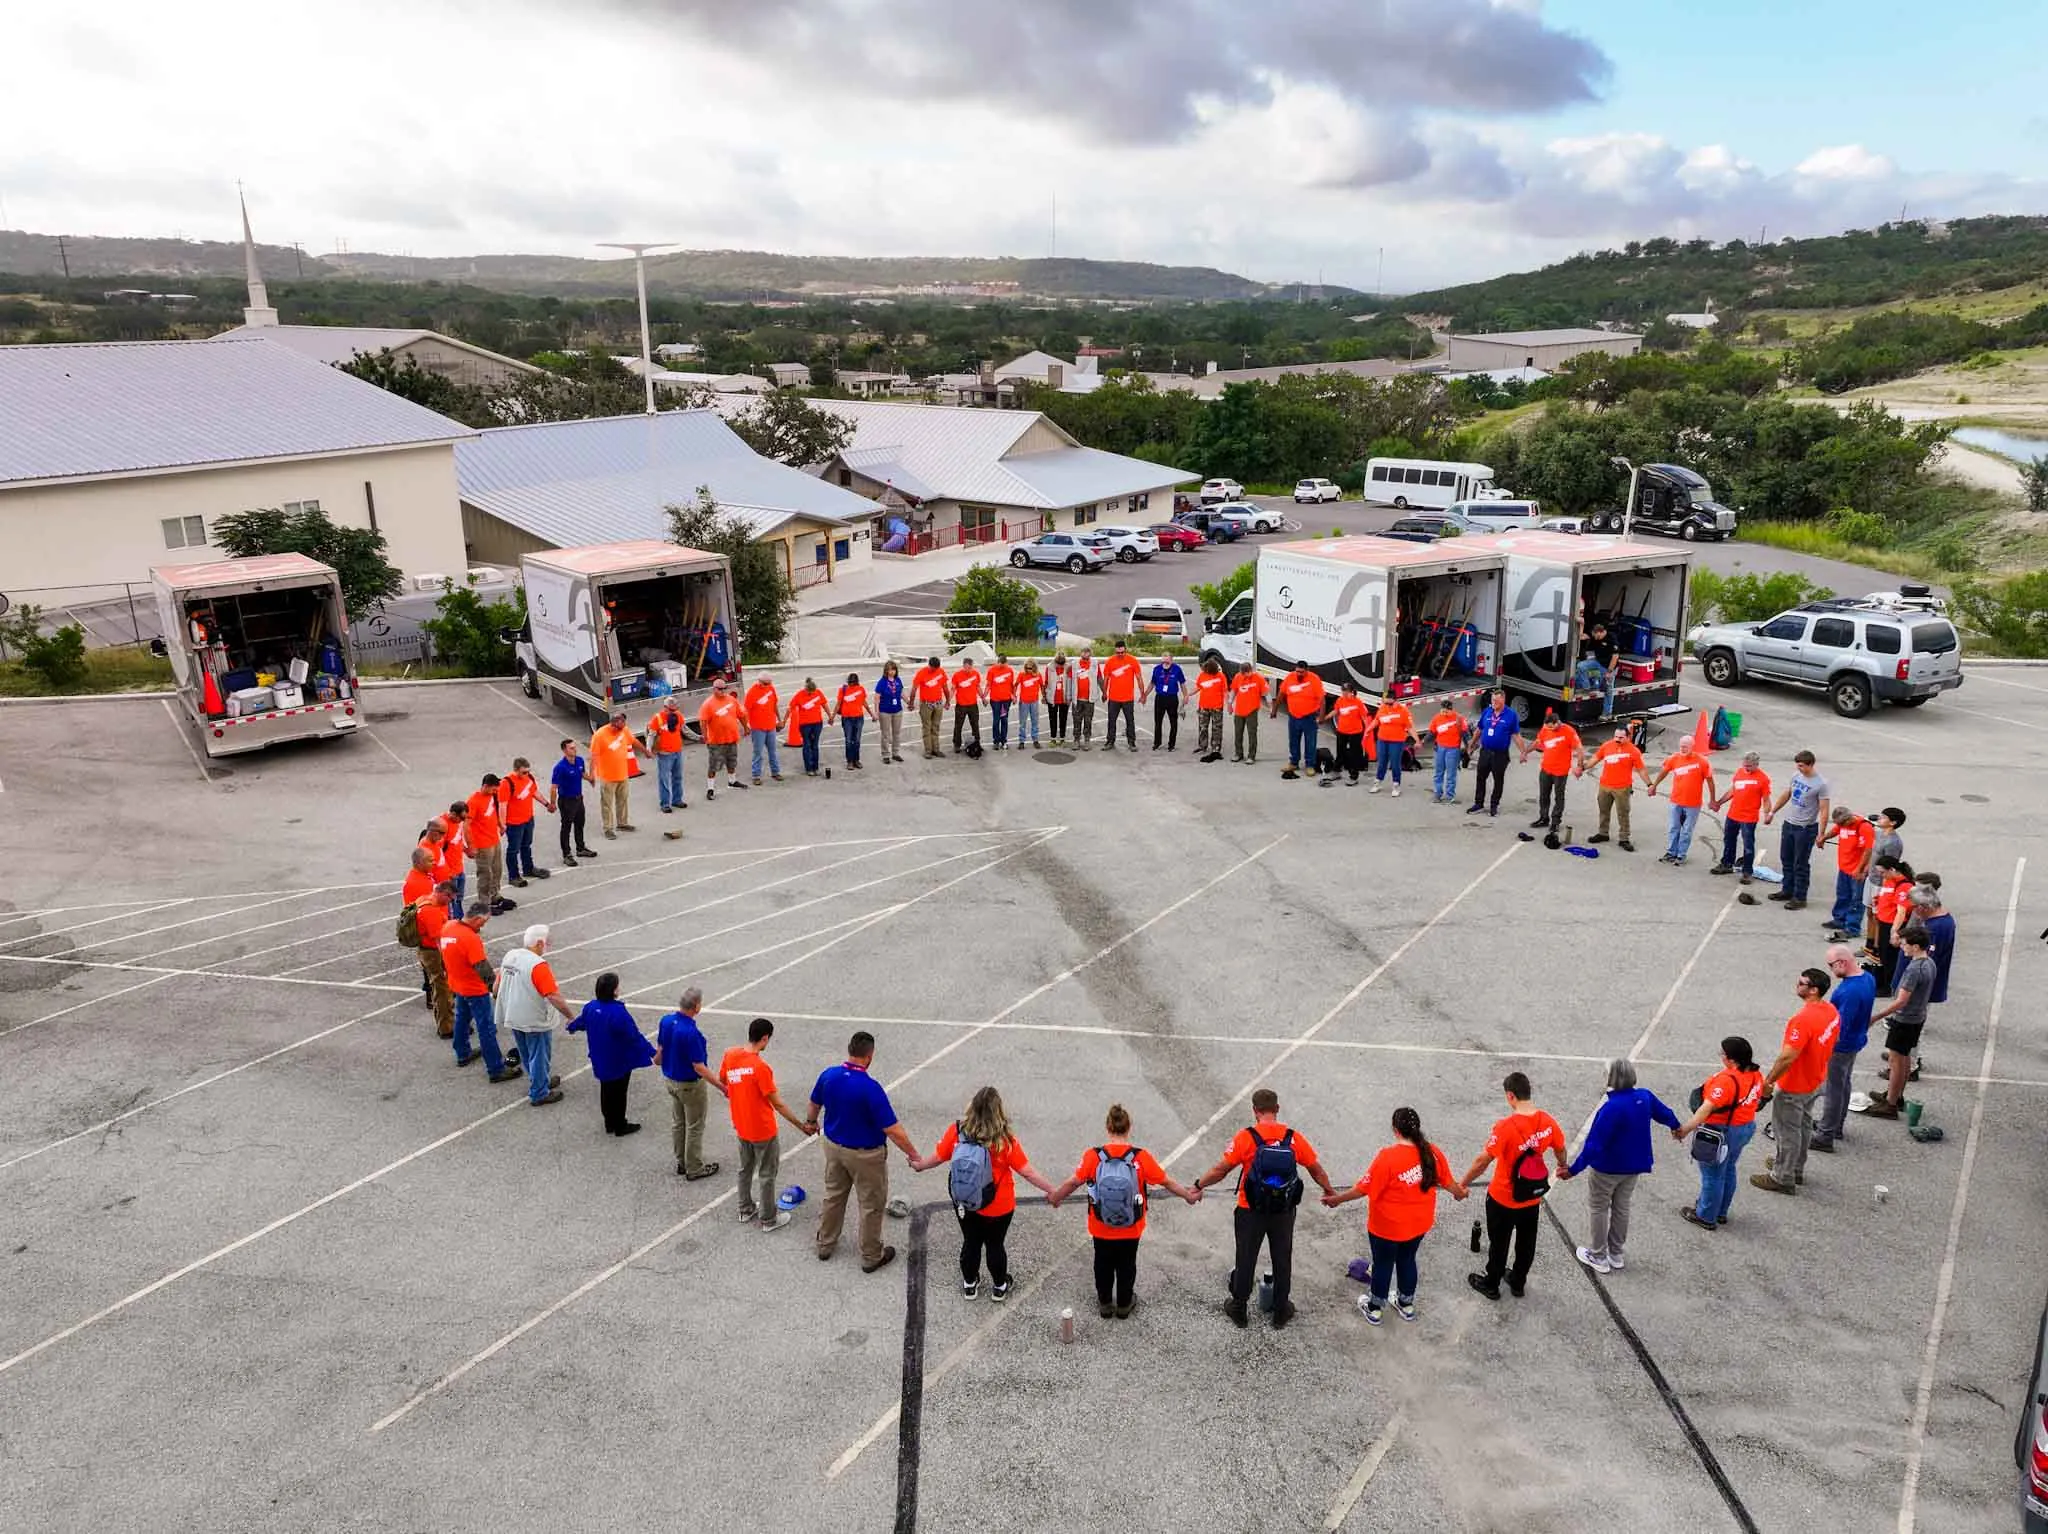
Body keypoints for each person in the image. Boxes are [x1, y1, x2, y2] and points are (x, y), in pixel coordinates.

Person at [1190, 1087, 1336, 1329]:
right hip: (1283, 1211)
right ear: (1277, 1109)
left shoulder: (1246, 1137)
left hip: (1251, 1209)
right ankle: (1280, 1310)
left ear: (1255, 1111)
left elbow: (1221, 1169)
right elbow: (1315, 1169)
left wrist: (1198, 1185)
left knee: (1246, 1257)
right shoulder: (1292, 1137)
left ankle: (1239, 1308)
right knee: (1282, 1257)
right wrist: (1329, 1191)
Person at [1046, 1103, 1198, 1318]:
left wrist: (1056, 1197)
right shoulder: (1140, 1157)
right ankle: (1125, 1304)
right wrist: (1188, 1195)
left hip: (1100, 1224)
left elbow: (1073, 1182)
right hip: (1131, 1225)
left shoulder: (1093, 1156)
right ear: (1129, 1128)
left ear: (1108, 1128)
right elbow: (1167, 1182)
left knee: (1102, 1262)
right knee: (1127, 1264)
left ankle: (1105, 1303)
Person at [910, 1086, 1058, 1301]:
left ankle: (970, 1283)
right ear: (998, 1111)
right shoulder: (1004, 1140)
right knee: (995, 1245)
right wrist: (1052, 1191)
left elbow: (939, 1156)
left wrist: (920, 1165)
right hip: (999, 1205)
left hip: (966, 1201)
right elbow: (1027, 1172)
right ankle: (999, 1285)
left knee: (971, 1242)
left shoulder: (957, 1132)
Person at [1322, 1106, 1461, 1325]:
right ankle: (1406, 1304)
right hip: (1418, 1224)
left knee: (1383, 1264)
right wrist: (1460, 1194)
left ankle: (1375, 1307)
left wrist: (1336, 1200)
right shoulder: (1432, 1153)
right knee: (1407, 1260)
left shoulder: (1388, 1158)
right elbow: (1449, 1183)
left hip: (1386, 1228)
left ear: (1395, 1129)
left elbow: (1363, 1189)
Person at [806, 1032, 922, 1274]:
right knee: (871, 1204)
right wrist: (913, 1154)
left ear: (849, 1050)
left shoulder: (829, 1076)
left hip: (834, 1147)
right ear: (869, 1056)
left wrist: (810, 1121)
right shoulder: (870, 1088)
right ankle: (871, 1255)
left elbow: (814, 1102)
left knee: (834, 1196)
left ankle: (825, 1243)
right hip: (864, 1155)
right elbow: (892, 1129)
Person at [1460, 1072, 1570, 1300]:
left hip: (1504, 1197)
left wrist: (1463, 1184)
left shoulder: (1505, 1127)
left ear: (1511, 1096)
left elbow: (1483, 1161)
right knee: (1526, 1242)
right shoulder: (1548, 1122)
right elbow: (1560, 1148)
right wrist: (1562, 1165)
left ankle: (1492, 1283)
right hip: (1531, 1196)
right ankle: (1518, 1281)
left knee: (1499, 1243)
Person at [1567, 1059, 1681, 1274]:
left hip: (1607, 1168)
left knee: (1599, 1208)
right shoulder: (1644, 1096)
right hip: (1635, 1166)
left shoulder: (1611, 1108)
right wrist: (1676, 1127)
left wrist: (1574, 1169)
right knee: (1622, 1206)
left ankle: (1598, 1255)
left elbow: (1594, 1145)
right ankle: (1616, 1253)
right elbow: (1665, 1113)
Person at [1750, 967, 1839, 1195]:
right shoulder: (1830, 1010)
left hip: (1795, 1085)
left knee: (1787, 1130)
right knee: (1804, 1125)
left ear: (1813, 990)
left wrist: (1768, 1082)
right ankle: (1795, 1166)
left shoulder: (1802, 1020)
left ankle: (1782, 1177)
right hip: (1816, 1078)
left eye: (1802, 982)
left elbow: (1787, 1056)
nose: (1797, 984)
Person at [721, 1017, 814, 1232]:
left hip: (741, 1125)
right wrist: (802, 1126)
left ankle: (745, 1209)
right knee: (766, 1174)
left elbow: (724, 1081)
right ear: (764, 1038)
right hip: (763, 1130)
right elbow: (778, 1104)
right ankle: (768, 1219)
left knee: (745, 1169)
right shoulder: (761, 1068)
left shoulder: (730, 1055)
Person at [1674, 1036, 1765, 1229]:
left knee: (1713, 1174)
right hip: (1744, 1127)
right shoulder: (1755, 1074)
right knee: (1729, 1168)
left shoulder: (1727, 1081)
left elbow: (1705, 1110)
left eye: (1723, 1053)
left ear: (1731, 1059)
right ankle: (1721, 1211)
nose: (1721, 1056)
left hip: (1721, 1131)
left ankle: (1706, 1216)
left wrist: (1685, 1130)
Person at [567, 972, 655, 1136]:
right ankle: (620, 1124)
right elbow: (634, 1036)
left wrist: (571, 1026)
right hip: (618, 1060)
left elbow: (582, 1022)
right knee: (619, 1092)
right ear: (613, 991)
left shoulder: (591, 1007)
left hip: (600, 1058)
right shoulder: (618, 1013)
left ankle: (609, 1122)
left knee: (606, 1090)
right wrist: (652, 1052)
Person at [441, 909, 522, 1084]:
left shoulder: (448, 927)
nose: (483, 926)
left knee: (462, 1019)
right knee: (486, 1028)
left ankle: (462, 1053)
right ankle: (495, 1069)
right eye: (483, 922)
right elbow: (481, 967)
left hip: (458, 984)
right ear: (476, 918)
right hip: (474, 989)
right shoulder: (470, 938)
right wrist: (494, 987)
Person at [498, 924, 573, 1107]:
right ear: (540, 943)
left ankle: (538, 1080)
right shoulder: (538, 965)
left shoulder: (511, 955)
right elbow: (553, 995)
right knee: (539, 1053)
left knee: (525, 1051)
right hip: (533, 1017)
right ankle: (539, 1092)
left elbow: (497, 984)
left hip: (513, 1014)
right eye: (547, 943)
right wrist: (570, 1016)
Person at [1810, 944, 1876, 1151]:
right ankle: (1836, 1124)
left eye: (1831, 966)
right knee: (1843, 1083)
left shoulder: (1849, 991)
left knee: (1833, 1089)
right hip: (1855, 1042)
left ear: (1841, 962)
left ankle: (1826, 1134)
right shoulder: (1867, 978)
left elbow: (1840, 1026)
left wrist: (1823, 1048)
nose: (1831, 970)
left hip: (1840, 1047)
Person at [1864, 926, 1934, 1119]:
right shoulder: (1929, 963)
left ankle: (1890, 1104)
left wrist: (1876, 1017)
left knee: (1896, 1061)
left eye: (1905, 944)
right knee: (1904, 1059)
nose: (1902, 946)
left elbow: (1901, 1000)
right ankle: (1896, 1096)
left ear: (1916, 946)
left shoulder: (1914, 969)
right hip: (1917, 1017)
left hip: (1905, 1020)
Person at [656, 986, 724, 1178]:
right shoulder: (691, 1032)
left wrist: (657, 1060)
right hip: (689, 1085)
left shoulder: (667, 1021)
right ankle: (694, 1167)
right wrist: (722, 1086)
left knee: (678, 1122)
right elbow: (699, 1067)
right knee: (695, 1125)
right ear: (696, 1006)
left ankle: (681, 1161)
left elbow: (661, 1048)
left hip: (671, 1080)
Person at [1767, 751, 1830, 912]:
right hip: (1789, 823)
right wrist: (1772, 811)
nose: (1799, 768)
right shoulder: (1796, 776)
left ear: (1810, 764)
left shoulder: (1820, 784)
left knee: (1800, 864)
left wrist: (1821, 834)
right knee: (1786, 859)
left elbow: (1824, 810)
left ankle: (1800, 897)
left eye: (1802, 765)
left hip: (1805, 828)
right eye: (1798, 765)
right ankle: (1787, 890)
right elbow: (1787, 794)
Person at [1646, 740, 1715, 867]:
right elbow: (1664, 772)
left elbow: (1710, 781)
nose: (1683, 749)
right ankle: (1671, 852)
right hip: (1676, 800)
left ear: (1692, 747)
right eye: (1681, 746)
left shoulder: (1702, 762)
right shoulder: (1674, 759)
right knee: (1674, 827)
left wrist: (1712, 799)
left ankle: (1681, 855)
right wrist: (1654, 786)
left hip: (1693, 803)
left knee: (1686, 830)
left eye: (1686, 747)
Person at [1519, 709, 1584, 835]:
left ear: (1557, 722)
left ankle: (1555, 822)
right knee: (1544, 795)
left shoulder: (1569, 731)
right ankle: (1543, 818)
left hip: (1560, 771)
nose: (1550, 730)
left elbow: (1579, 749)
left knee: (1559, 797)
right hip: (1546, 769)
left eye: (1551, 727)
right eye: (1547, 727)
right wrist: (1525, 752)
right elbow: (1537, 743)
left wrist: (1579, 766)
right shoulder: (1546, 729)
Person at [1710, 751, 1772, 881]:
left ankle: (1747, 872)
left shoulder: (1763, 779)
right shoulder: (1740, 772)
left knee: (1748, 845)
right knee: (1729, 840)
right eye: (1745, 765)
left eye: (1749, 766)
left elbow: (1766, 799)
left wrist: (1767, 814)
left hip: (1749, 817)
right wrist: (1719, 802)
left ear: (1756, 765)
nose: (1746, 768)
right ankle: (1727, 863)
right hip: (1733, 814)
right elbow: (1733, 790)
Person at [1587, 725, 1649, 850]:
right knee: (1603, 811)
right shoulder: (1607, 746)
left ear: (1628, 737)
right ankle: (1603, 833)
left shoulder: (1633, 751)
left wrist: (1650, 784)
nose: (1617, 739)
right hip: (1605, 785)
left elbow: (1641, 770)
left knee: (1623, 813)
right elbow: (1595, 758)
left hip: (1622, 788)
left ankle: (1624, 838)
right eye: (1616, 736)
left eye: (1621, 737)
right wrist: (1583, 767)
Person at [1819, 806, 1875, 942]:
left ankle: (1852, 927)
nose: (1840, 827)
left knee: (1856, 899)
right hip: (1844, 867)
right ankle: (1839, 919)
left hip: (1856, 870)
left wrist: (1860, 869)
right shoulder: (1842, 824)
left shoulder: (1863, 827)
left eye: (1842, 824)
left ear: (1849, 819)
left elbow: (1868, 850)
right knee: (1843, 895)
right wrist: (1823, 837)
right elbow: (1835, 830)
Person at [589, 709, 646, 839]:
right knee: (607, 804)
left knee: (623, 800)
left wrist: (645, 751)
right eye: (620, 727)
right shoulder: (599, 735)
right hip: (608, 776)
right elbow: (594, 756)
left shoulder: (624, 730)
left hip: (622, 773)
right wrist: (592, 774)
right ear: (613, 724)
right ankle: (608, 828)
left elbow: (633, 741)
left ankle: (622, 823)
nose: (623, 729)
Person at [1467, 691, 1520, 818]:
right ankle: (1478, 804)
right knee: (1480, 778)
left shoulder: (1511, 715)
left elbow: (1516, 735)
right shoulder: (1487, 712)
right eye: (1492, 700)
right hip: (1485, 752)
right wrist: (1471, 745)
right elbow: (1479, 730)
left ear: (1503, 700)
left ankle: (1494, 805)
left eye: (1496, 701)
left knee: (1498, 780)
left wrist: (1523, 751)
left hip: (1500, 754)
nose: (1493, 703)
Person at [465, 773, 512, 915]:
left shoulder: (491, 796)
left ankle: (495, 896)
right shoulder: (473, 801)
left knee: (497, 870)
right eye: (493, 789)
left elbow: (494, 813)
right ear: (485, 786)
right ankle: (484, 903)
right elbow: (466, 825)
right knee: (485, 874)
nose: (495, 792)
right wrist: (471, 846)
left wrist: (500, 825)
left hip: (494, 839)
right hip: (482, 844)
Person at [414, 878, 455, 1040]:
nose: (450, 902)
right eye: (449, 898)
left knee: (439, 987)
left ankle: (446, 1022)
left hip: (425, 950)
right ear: (442, 893)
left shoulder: (423, 900)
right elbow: (437, 939)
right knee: (442, 989)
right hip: (432, 953)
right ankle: (446, 1027)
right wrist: (449, 961)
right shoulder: (430, 911)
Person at [499, 756, 549, 887]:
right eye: (523, 772)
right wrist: (502, 825)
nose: (526, 774)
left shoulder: (529, 778)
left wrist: (546, 804)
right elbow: (502, 805)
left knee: (526, 845)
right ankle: (513, 876)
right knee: (513, 849)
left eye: (528, 771)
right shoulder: (506, 783)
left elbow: (534, 792)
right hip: (514, 823)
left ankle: (528, 868)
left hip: (528, 819)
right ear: (515, 770)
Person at [548, 738, 597, 867]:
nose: (574, 750)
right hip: (566, 801)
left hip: (578, 799)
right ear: (564, 750)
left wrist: (590, 779)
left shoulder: (579, 761)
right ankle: (567, 854)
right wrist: (552, 804)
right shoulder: (560, 768)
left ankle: (580, 848)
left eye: (575, 747)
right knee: (566, 827)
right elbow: (554, 787)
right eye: (571, 748)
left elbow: (581, 774)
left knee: (580, 824)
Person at [1863, 808, 1906, 952]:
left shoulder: (1893, 843)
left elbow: (1890, 867)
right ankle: (1869, 945)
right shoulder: (1880, 834)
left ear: (1893, 822)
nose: (1879, 818)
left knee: (1878, 917)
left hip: (1881, 884)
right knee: (1869, 913)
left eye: (1884, 817)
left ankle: (1876, 948)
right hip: (1871, 878)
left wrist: (1884, 889)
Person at [1273, 662, 1325, 780]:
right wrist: (1274, 709)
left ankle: (1310, 765)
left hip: (1309, 718)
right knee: (1293, 741)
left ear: (1307, 670)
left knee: (1310, 742)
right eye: (1297, 671)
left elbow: (1322, 699)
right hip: (1293, 716)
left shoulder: (1314, 679)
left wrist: (1321, 716)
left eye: (1301, 672)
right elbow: (1281, 694)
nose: (1299, 674)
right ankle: (1293, 763)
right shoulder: (1290, 677)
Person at [1870, 857, 1915, 992]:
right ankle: (1885, 981)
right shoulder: (1889, 881)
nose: (1880, 875)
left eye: (1882, 872)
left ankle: (1891, 985)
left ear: (1892, 870)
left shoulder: (1904, 886)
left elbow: (1901, 912)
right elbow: (1888, 898)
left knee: (1891, 957)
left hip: (1893, 925)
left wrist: (1894, 932)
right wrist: (1879, 900)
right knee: (1884, 955)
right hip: (1884, 923)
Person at [697, 676, 746, 798]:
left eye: (725, 688)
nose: (723, 691)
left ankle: (732, 781)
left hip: (731, 738)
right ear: (714, 689)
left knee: (732, 761)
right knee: (714, 765)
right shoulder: (708, 704)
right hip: (716, 741)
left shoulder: (731, 700)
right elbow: (703, 721)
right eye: (720, 689)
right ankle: (710, 788)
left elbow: (740, 715)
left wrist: (746, 727)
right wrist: (705, 736)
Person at [646, 696, 688, 813]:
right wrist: (648, 749)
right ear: (665, 708)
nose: (674, 712)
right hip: (664, 754)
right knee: (664, 780)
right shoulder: (657, 718)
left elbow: (685, 730)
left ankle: (677, 800)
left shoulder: (678, 715)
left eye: (675, 709)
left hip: (677, 752)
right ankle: (665, 804)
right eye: (671, 710)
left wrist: (698, 738)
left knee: (677, 777)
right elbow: (651, 735)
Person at [1102, 640, 1142, 752]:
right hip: (1113, 698)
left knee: (1130, 721)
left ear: (1125, 650)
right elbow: (1106, 679)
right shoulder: (1110, 661)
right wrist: (1104, 693)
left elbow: (1139, 678)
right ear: (1115, 651)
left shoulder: (1132, 661)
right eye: (1118, 653)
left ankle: (1131, 742)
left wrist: (1142, 693)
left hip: (1128, 698)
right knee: (1111, 720)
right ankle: (1110, 741)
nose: (1120, 655)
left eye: (1122, 652)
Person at [743, 675, 784, 784]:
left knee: (773, 751)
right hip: (757, 728)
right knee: (758, 753)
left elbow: (774, 705)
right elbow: (746, 710)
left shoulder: (771, 688)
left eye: (769, 683)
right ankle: (756, 775)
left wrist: (779, 720)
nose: (768, 685)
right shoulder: (752, 693)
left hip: (770, 725)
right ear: (759, 682)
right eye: (766, 683)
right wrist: (746, 726)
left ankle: (775, 772)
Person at [1370, 694, 1413, 795]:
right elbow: (1376, 720)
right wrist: (1368, 729)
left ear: (1396, 701)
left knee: (1395, 764)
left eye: (1390, 703)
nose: (1387, 705)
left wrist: (1417, 740)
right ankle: (1378, 782)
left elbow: (1410, 727)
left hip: (1397, 741)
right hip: (1382, 740)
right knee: (1382, 763)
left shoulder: (1403, 711)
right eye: (1386, 703)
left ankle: (1396, 785)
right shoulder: (1382, 708)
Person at [1328, 682, 1370, 786]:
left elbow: (1364, 717)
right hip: (1342, 731)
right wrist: (1325, 718)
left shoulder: (1358, 703)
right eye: (1343, 691)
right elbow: (1336, 711)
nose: (1344, 693)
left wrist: (1367, 730)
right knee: (1340, 752)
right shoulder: (1340, 700)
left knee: (1354, 755)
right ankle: (1336, 771)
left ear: (1352, 692)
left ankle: (1354, 776)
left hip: (1355, 732)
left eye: (1346, 691)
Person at [434, 802, 469, 918]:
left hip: (459, 867)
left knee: (458, 898)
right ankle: (455, 923)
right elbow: (438, 851)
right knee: (451, 900)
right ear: (453, 814)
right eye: (461, 818)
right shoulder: (442, 826)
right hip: (450, 872)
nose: (462, 821)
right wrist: (446, 872)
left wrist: (466, 850)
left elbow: (456, 841)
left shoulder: (457, 823)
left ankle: (459, 919)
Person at [789, 676, 830, 776]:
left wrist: (830, 716)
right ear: (806, 688)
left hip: (817, 723)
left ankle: (815, 767)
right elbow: (790, 707)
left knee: (815, 745)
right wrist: (783, 720)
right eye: (809, 692)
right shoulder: (799, 695)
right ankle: (808, 768)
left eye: (813, 692)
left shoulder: (818, 692)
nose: (811, 694)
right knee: (807, 745)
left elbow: (824, 704)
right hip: (805, 724)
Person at [1147, 648, 1186, 752]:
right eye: (1163, 661)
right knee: (1158, 722)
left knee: (1173, 722)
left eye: (1167, 661)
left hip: (1172, 698)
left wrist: (1185, 696)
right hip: (1160, 698)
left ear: (1171, 660)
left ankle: (1171, 744)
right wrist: (1145, 694)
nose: (1165, 663)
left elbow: (1182, 683)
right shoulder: (1156, 669)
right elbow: (1152, 683)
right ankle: (1157, 743)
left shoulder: (1177, 669)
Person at [912, 655, 950, 758]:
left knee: (936, 727)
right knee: (927, 727)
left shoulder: (941, 672)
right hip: (926, 704)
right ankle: (928, 750)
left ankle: (936, 749)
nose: (934, 671)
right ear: (929, 665)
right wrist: (911, 703)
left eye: (936, 669)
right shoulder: (921, 673)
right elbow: (914, 688)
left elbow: (945, 687)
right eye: (933, 668)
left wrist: (948, 701)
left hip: (938, 703)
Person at [1427, 704, 1466, 804]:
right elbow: (1432, 732)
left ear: (1451, 710)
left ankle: (1449, 796)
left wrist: (1469, 747)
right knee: (1438, 773)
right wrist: (1422, 742)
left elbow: (1465, 733)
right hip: (1440, 748)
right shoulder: (1437, 717)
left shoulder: (1459, 718)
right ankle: (1437, 794)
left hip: (1453, 749)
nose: (1444, 713)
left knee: (1451, 774)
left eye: (1446, 712)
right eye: (1442, 711)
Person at [1228, 662, 1266, 763]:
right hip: (1239, 710)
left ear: (1251, 670)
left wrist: (1271, 707)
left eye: (1247, 673)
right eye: (1243, 673)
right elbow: (1233, 691)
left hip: (1252, 710)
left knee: (1252, 733)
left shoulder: (1259, 678)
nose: (1245, 675)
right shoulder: (1238, 677)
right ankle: (1238, 753)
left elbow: (1266, 693)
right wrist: (1229, 704)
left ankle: (1251, 756)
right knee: (1238, 733)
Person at [832, 672, 870, 770]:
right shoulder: (843, 690)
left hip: (858, 718)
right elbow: (838, 704)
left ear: (856, 682)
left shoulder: (861, 689)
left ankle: (856, 760)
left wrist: (871, 713)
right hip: (847, 718)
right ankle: (850, 761)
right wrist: (832, 717)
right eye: (850, 682)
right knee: (849, 740)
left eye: (853, 682)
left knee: (857, 740)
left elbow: (864, 702)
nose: (851, 684)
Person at [1193, 656, 1228, 763]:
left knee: (1216, 728)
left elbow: (1225, 690)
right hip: (1204, 706)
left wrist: (1228, 703)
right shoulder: (1202, 675)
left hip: (1217, 706)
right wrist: (1188, 694)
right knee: (1203, 727)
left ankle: (1216, 748)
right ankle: (1202, 745)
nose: (1206, 671)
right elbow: (1198, 687)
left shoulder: (1221, 676)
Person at [873, 659, 906, 764]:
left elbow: (901, 693)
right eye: (889, 670)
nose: (892, 672)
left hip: (897, 710)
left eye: (893, 670)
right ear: (886, 671)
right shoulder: (882, 682)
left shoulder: (898, 680)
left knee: (897, 733)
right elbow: (877, 698)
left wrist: (909, 702)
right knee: (886, 734)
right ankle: (885, 754)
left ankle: (895, 753)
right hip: (885, 711)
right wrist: (876, 712)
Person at [949, 656, 984, 752]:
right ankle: (957, 744)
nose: (968, 670)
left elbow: (978, 687)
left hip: (973, 704)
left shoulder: (976, 674)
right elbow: (953, 689)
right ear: (963, 666)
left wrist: (983, 698)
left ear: (972, 666)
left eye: (969, 667)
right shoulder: (957, 675)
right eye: (966, 667)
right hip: (961, 705)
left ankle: (977, 743)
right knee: (958, 725)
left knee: (975, 725)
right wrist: (948, 700)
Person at [985, 654, 1016, 750]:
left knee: (1004, 720)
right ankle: (996, 741)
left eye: (1004, 665)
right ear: (998, 662)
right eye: (1000, 665)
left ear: (1006, 663)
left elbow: (1012, 686)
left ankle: (1004, 740)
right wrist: (984, 697)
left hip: (1006, 700)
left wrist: (1014, 696)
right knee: (996, 720)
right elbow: (988, 685)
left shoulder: (1009, 670)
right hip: (995, 700)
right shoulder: (992, 670)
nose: (1002, 667)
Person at [1072, 645, 1098, 750]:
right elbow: (1069, 679)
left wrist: (1104, 692)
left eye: (1087, 654)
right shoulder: (1074, 664)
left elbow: (1099, 677)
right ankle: (1076, 740)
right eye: (1083, 654)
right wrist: (1068, 696)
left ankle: (1087, 740)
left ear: (1090, 655)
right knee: (1076, 720)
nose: (1085, 656)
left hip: (1089, 699)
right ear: (1080, 654)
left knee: (1088, 720)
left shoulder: (1094, 664)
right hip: (1077, 699)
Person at [1046, 651, 1073, 746]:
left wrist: (1069, 697)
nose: (1060, 666)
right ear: (1055, 662)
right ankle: (1053, 738)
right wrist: (1044, 696)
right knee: (1052, 719)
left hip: (1064, 698)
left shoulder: (1068, 667)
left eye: (1062, 664)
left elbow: (1070, 682)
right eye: (1059, 664)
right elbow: (1046, 682)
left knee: (1063, 719)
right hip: (1052, 697)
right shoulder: (1049, 667)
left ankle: (1062, 738)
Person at [1015, 660, 1044, 748]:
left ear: (1034, 667)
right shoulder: (1021, 675)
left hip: (1034, 701)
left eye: (1030, 668)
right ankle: (1021, 741)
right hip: (1024, 702)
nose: (1028, 670)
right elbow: (1015, 685)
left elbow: (1042, 686)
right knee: (1022, 722)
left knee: (1035, 721)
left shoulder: (1038, 675)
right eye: (1027, 668)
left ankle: (1035, 740)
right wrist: (1014, 696)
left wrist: (1044, 696)